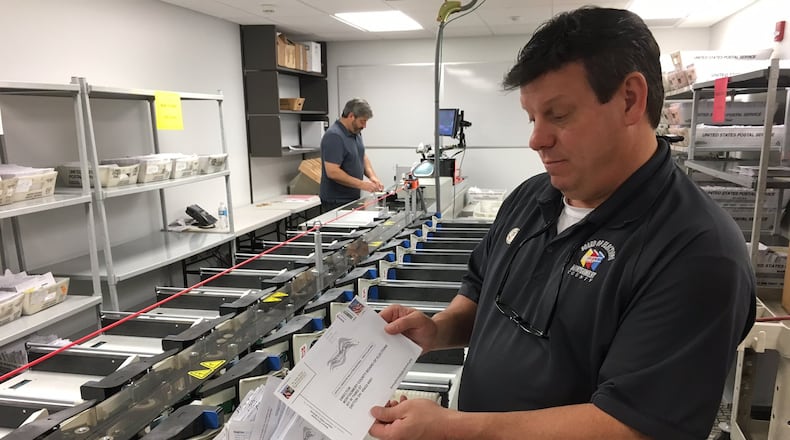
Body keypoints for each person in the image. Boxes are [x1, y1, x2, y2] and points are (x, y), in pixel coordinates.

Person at [370, 6, 756, 440]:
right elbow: (481, 291)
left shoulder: (696, 251)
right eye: (531, 117)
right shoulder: (532, 197)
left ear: (630, 99)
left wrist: (455, 430)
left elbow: (633, 426)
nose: (536, 139)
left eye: (558, 114)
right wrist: (438, 329)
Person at [319, 98, 384, 211]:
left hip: (352, 198)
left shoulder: (356, 132)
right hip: (336, 202)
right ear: (351, 116)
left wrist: (372, 177)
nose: (364, 126)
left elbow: (361, 155)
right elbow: (332, 172)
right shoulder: (334, 136)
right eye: (362, 121)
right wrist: (362, 185)